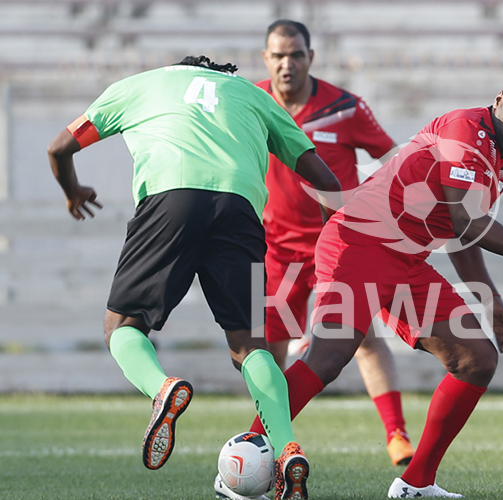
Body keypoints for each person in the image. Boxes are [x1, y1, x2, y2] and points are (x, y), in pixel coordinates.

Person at [273, 70, 503, 498]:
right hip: (360, 241)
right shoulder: (463, 129)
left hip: (404, 260)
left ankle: (416, 482)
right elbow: (465, 219)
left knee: (477, 359)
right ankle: (247, 451)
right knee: (330, 356)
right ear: (499, 100)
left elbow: (461, 232)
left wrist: (488, 298)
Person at [46, 55, 343, 500]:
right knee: (249, 346)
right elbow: (324, 179)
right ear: (222, 75)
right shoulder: (253, 95)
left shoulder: (138, 86)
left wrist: (74, 194)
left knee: (122, 327)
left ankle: (162, 387)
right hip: (240, 211)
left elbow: (58, 148)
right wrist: (330, 244)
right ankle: (286, 449)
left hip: (171, 199)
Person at [236, 18, 414, 474]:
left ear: (310, 57)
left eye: (296, 54)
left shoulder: (345, 107)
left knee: (365, 339)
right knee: (268, 350)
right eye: (278, 55)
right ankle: (269, 439)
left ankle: (396, 434)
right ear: (265, 59)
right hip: (276, 248)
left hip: (338, 245)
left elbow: (394, 160)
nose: (287, 63)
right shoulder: (250, 102)